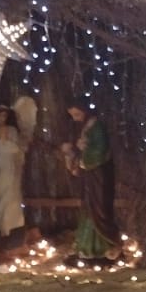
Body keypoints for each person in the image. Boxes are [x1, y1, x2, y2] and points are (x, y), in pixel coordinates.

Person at [60, 101, 120, 265]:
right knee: (88, 208)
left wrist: (83, 158)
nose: (75, 118)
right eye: (72, 115)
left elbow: (100, 150)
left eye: (77, 114)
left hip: (99, 176)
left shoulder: (97, 127)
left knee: (98, 208)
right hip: (90, 176)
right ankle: (86, 246)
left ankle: (103, 247)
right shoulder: (86, 127)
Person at [0, 105, 28, 249]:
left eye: (4, 115)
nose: (2, 118)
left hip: (10, 167)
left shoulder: (13, 131)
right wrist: (1, 142)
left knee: (11, 197)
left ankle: (11, 228)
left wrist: (6, 142)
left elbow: (17, 149)